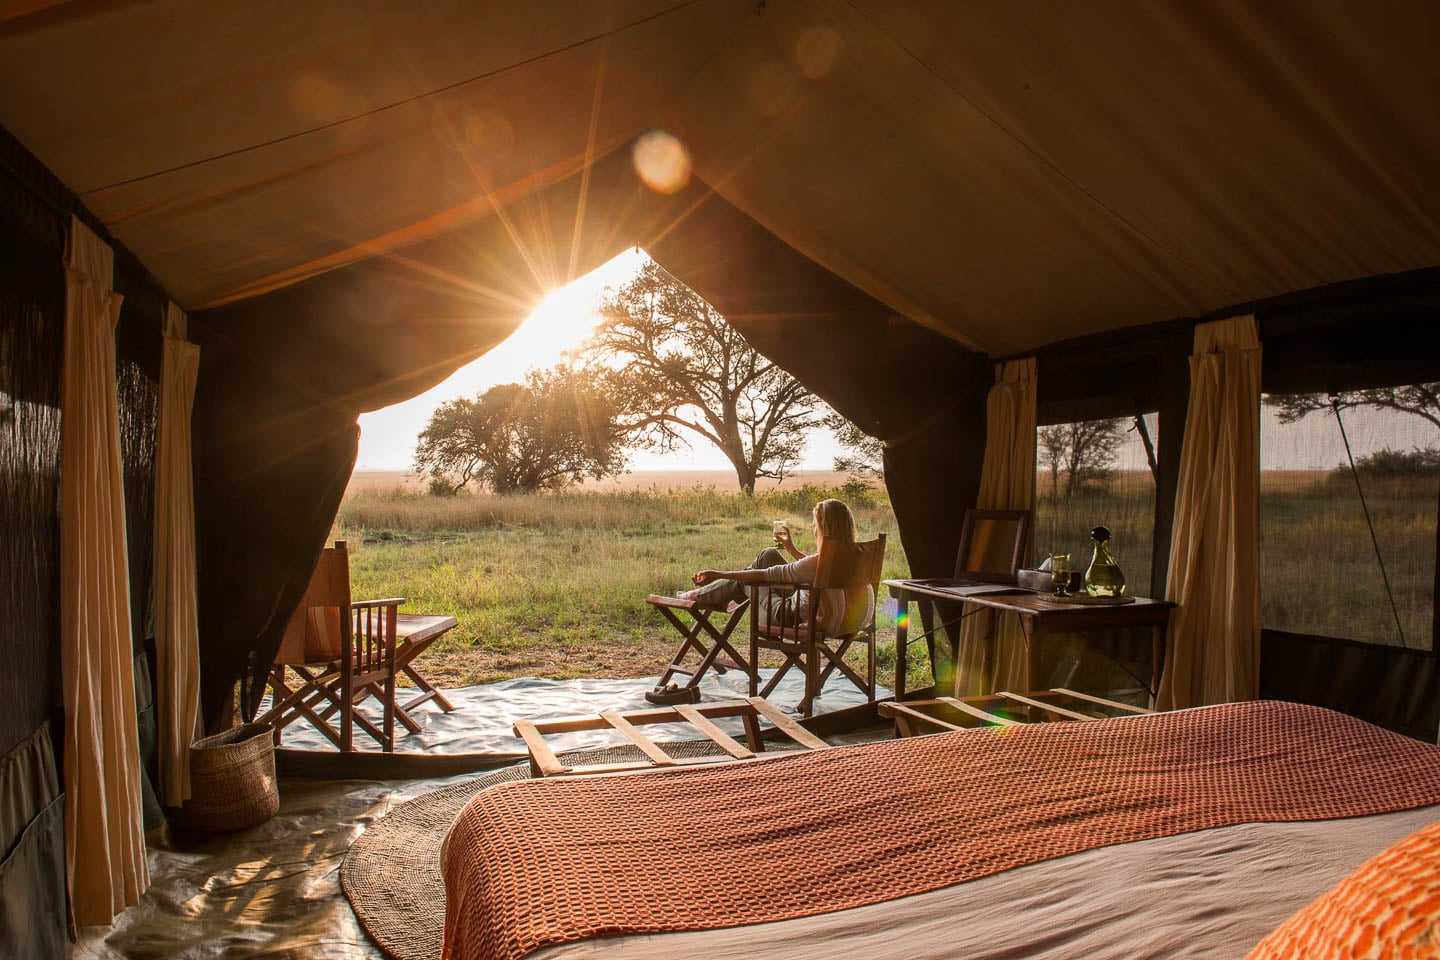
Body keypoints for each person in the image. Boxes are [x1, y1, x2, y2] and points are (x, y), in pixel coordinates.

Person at [685, 498, 874, 636]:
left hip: (787, 618)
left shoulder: (820, 562)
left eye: (815, 524)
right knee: (768, 555)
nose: (813, 528)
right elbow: (815, 569)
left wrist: (718, 574)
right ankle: (716, 594)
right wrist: (791, 549)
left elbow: (766, 575)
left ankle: (700, 596)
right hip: (851, 622)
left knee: (749, 577)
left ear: (823, 528)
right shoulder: (856, 559)